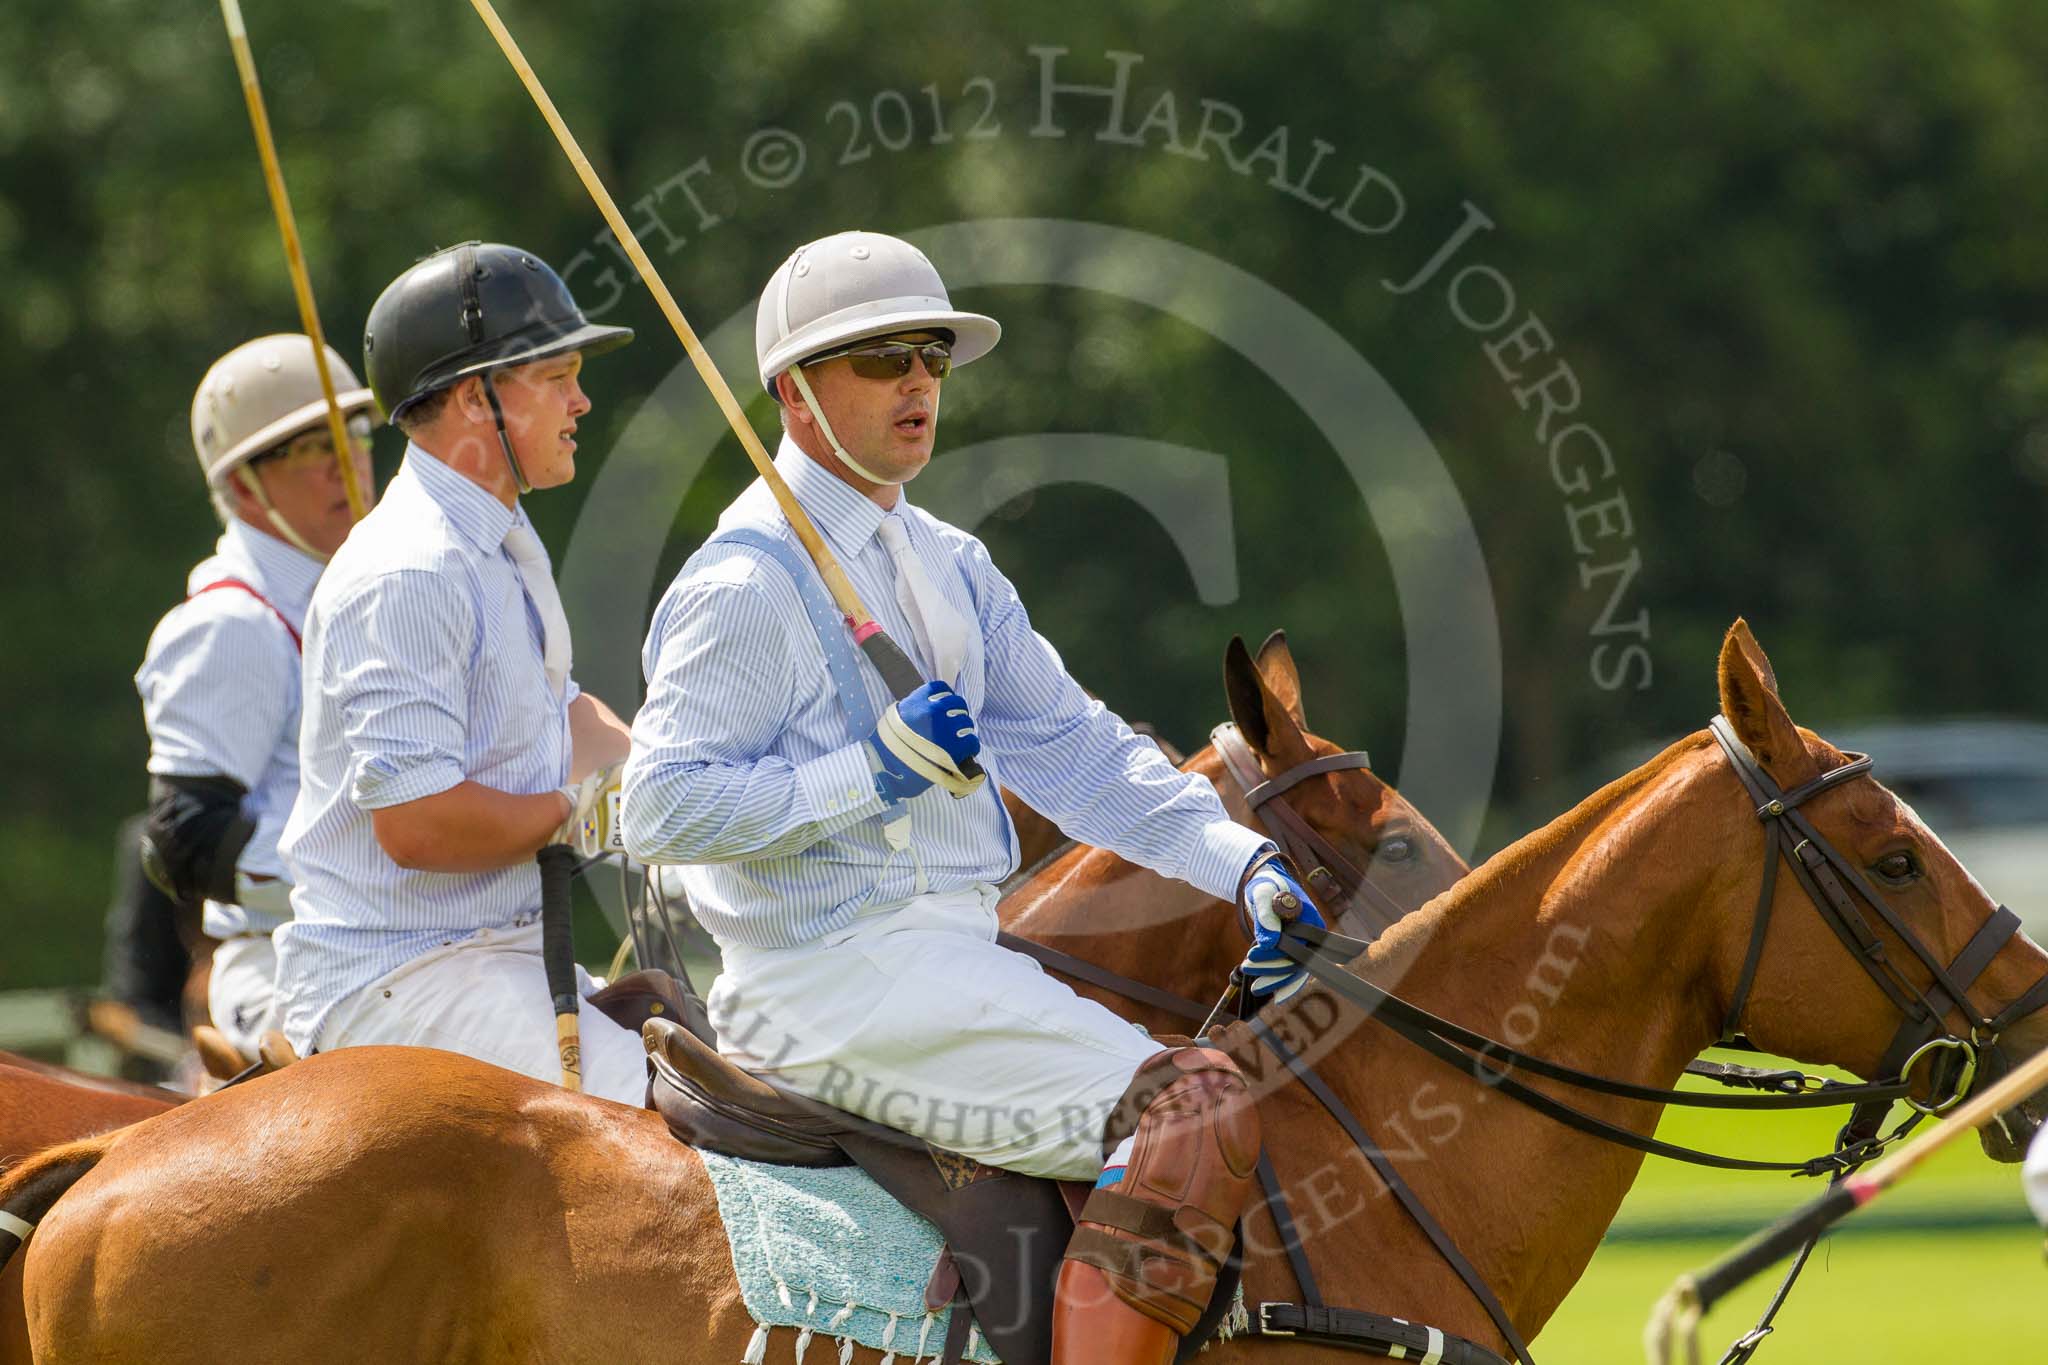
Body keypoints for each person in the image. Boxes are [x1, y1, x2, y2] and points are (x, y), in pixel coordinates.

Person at [622, 230, 1330, 1363]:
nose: (916, 381)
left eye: (932, 358)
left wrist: (1239, 864)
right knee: (1186, 1114)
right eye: (880, 358)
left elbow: (1078, 753)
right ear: (796, 394)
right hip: (825, 983)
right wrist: (873, 772)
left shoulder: (950, 562)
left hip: (949, 957)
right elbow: (657, 806)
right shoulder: (747, 577)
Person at [271, 242, 646, 1101]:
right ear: (477, 397)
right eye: (558, 377)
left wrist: (656, 774)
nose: (582, 401)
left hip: (493, 955)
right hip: (398, 978)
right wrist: (574, 804)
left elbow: (567, 722)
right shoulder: (409, 568)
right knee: (673, 1122)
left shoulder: (503, 538)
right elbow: (418, 824)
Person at [134, 334, 376, 1062]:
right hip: (288, 972)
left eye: (354, 432)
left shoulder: (365, 587)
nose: (348, 461)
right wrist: (380, 869)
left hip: (394, 953)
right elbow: (187, 842)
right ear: (245, 486)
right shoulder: (233, 622)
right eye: (308, 448)